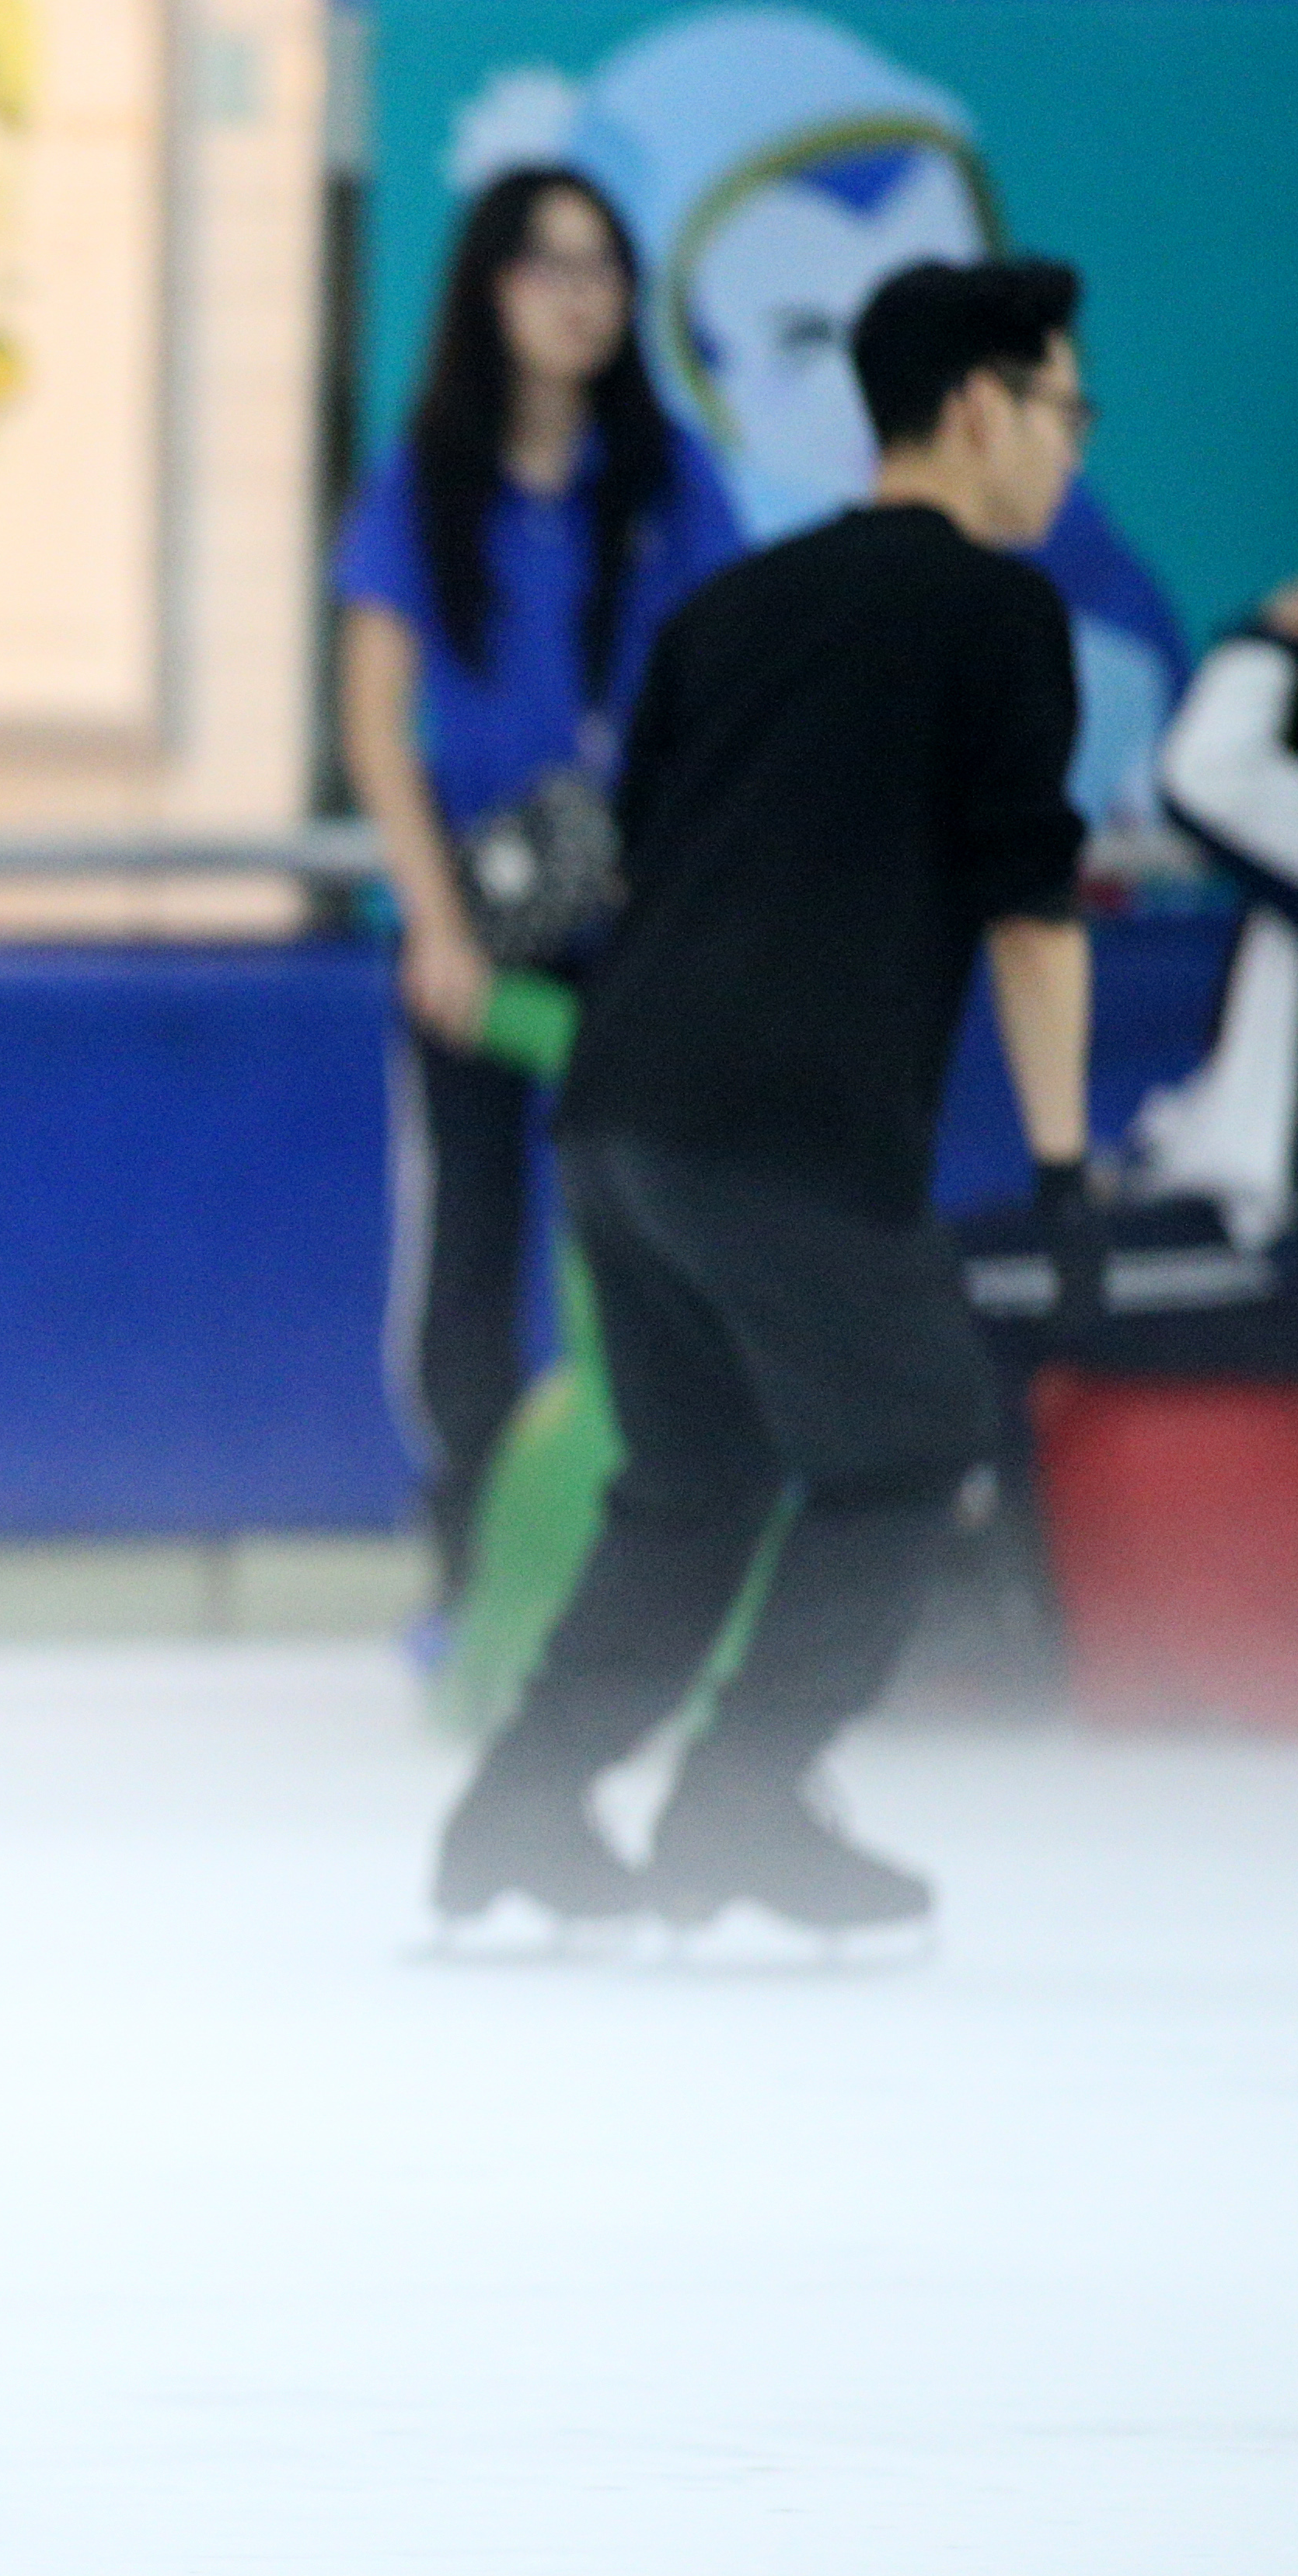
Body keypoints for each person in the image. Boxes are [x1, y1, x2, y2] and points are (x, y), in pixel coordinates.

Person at [427, 257, 1096, 1941]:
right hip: (790, 1124)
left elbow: (634, 861)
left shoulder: (729, 610)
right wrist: (1073, 1173)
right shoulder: (1002, 614)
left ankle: (516, 1815)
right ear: (973, 409)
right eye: (1062, 407)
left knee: (699, 1479)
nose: (1071, 446)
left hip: (621, 1114)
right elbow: (1030, 916)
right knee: (916, 1442)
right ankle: (741, 1804)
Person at [333, 167, 740, 1627]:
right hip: (474, 942)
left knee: (640, 1236)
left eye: (601, 267)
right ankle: (467, 1545)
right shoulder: (420, 478)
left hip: (635, 932)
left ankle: (646, 1558)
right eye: (543, 264)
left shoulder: (668, 480)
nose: (576, 295)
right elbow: (375, 720)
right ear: (487, 289)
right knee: (465, 1246)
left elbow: (722, 683)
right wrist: (434, 923)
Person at [964, 577, 1298, 1385]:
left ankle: (978, 1518)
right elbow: (1254, 1102)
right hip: (1285, 1236)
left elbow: (1206, 777)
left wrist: (1264, 637)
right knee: (962, 1258)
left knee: (960, 1290)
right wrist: (1129, 1179)